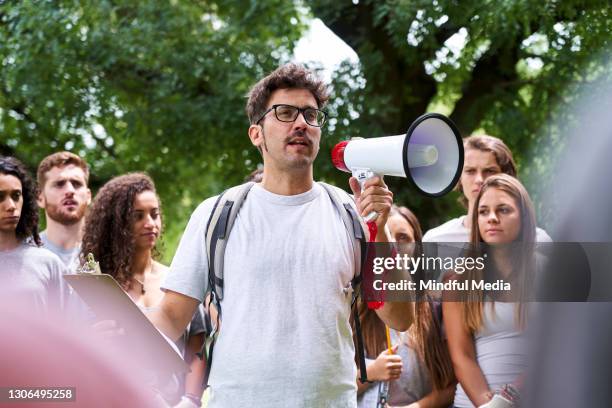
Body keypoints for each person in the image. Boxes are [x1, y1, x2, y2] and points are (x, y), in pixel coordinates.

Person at [151, 63, 412, 407]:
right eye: (285, 113)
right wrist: (113, 338)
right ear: (256, 134)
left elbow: (401, 317)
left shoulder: (351, 214)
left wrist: (380, 227)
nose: (301, 123)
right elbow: (171, 318)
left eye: (311, 115)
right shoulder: (217, 214)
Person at [80, 173, 205, 407]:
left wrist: (190, 400)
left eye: (154, 214)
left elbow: (197, 347)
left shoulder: (177, 279)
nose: (150, 223)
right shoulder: (97, 284)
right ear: (116, 223)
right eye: (138, 216)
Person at [443, 174, 536, 407]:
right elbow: (462, 356)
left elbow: (561, 347)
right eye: (483, 212)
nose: (492, 218)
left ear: (524, 218)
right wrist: (488, 403)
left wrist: (510, 398)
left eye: (503, 210)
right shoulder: (457, 280)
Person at [357, 206, 455, 408]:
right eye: (385, 235)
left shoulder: (436, 307)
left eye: (402, 238)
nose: (393, 245)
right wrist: (372, 372)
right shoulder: (356, 308)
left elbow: (451, 386)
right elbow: (332, 383)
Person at [423, 135, 551, 243]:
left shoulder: (537, 241)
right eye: (470, 171)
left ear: (507, 176)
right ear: (458, 178)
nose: (479, 179)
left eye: (489, 171)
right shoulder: (436, 240)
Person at [0, 156, 65, 312]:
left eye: (16, 196)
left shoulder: (48, 263)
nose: (11, 206)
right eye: (0, 197)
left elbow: (65, 328)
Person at [37, 151, 91, 269]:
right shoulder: (21, 255)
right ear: (40, 198)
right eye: (59, 184)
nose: (70, 190)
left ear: (88, 196)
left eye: (76, 184)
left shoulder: (112, 253)